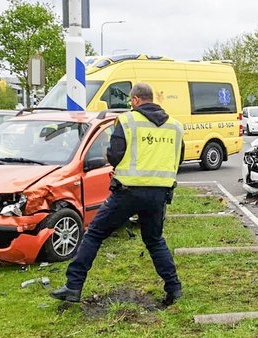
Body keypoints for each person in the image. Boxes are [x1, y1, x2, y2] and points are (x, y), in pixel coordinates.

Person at [51, 83, 184, 305]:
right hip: (159, 194)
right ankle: (174, 288)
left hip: (127, 191)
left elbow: (114, 156)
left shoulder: (127, 120)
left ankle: (73, 286)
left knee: (94, 234)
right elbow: (177, 159)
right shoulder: (175, 127)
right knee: (154, 240)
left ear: (135, 100)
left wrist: (109, 155)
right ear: (152, 98)